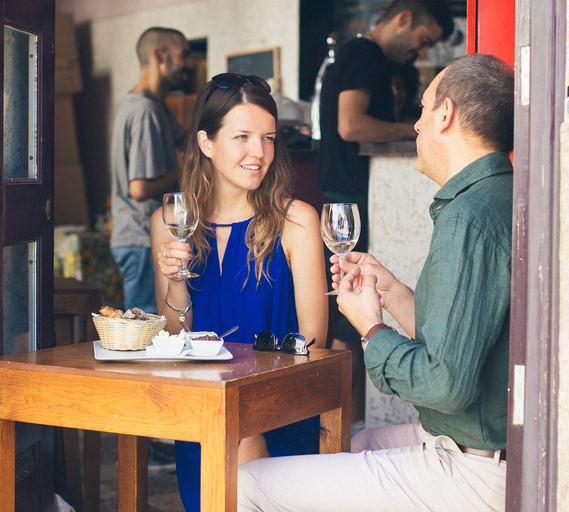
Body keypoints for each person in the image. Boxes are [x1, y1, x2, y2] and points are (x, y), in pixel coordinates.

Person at [238, 53, 515, 512]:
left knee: (246, 484)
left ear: (445, 114)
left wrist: (371, 328)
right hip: (487, 447)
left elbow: (444, 385)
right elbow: (468, 336)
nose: (417, 126)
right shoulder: (495, 196)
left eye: (424, 110)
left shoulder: (470, 217)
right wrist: (394, 294)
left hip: (477, 470)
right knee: (347, 444)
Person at [150, 73, 328, 512]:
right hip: (203, 411)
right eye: (243, 137)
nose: (259, 153)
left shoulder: (297, 221)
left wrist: (249, 410)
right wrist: (175, 278)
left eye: (268, 138)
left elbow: (315, 341)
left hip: (279, 412)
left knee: (239, 446)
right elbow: (176, 338)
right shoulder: (171, 220)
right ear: (206, 143)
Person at [317, 0, 454, 425]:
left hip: (349, 192)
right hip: (353, 199)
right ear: (404, 19)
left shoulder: (358, 53)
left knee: (348, 308)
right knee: (346, 318)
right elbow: (350, 125)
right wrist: (417, 130)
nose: (421, 52)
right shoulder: (366, 55)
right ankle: (339, 429)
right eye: (423, 41)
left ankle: (342, 428)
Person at [110, 26, 192, 314]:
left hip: (140, 237)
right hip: (140, 237)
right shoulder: (144, 110)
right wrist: (185, 172)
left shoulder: (155, 106)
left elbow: (188, 139)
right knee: (147, 330)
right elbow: (140, 188)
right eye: (184, 55)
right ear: (160, 56)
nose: (190, 64)